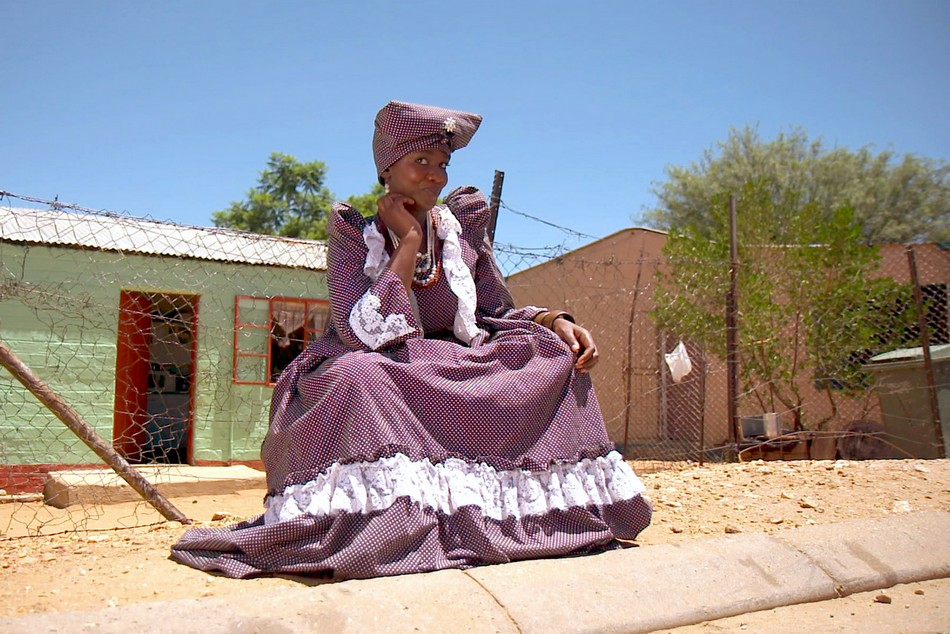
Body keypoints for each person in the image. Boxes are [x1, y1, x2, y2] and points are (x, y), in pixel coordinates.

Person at [171, 100, 652, 580]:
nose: (435, 177)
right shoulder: (355, 236)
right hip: (377, 357)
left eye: (441, 164)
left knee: (550, 357)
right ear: (387, 169)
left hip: (448, 358)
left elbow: (496, 312)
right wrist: (406, 244)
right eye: (420, 162)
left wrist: (554, 321)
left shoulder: (462, 234)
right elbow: (361, 333)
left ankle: (522, 518)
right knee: (359, 376)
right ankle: (392, 523)